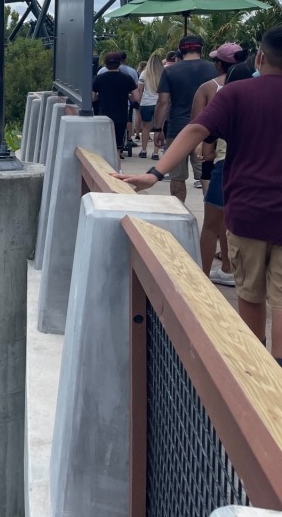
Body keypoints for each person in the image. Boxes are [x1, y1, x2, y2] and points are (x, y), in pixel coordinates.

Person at [116, 25, 282, 367]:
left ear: (260, 58)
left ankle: (256, 367)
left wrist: (154, 174)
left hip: (247, 212)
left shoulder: (237, 94)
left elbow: (195, 129)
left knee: (250, 294)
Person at [190, 43, 247, 285]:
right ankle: (228, 268)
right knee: (232, 222)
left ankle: (201, 278)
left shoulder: (213, 90)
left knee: (212, 224)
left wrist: (204, 149)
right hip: (251, 167)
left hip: (223, 164)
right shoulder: (261, 91)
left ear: (219, 64)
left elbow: (200, 128)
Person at [152, 36, 218, 201]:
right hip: (206, 129)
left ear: (180, 51)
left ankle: (180, 210)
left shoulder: (170, 71)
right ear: (202, 49)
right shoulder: (214, 69)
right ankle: (211, 211)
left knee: (177, 176)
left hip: (177, 127)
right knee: (206, 174)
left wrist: (158, 128)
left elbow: (162, 101)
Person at [92, 53, 140, 160]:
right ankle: (117, 167)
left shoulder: (98, 78)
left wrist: (101, 95)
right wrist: (126, 96)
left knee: (104, 147)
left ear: (105, 64)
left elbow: (92, 97)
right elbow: (136, 97)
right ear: (120, 63)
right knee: (117, 149)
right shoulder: (127, 78)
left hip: (104, 115)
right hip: (121, 116)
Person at [136, 54, 163, 159]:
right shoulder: (164, 73)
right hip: (160, 103)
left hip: (146, 103)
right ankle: (155, 153)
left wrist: (139, 100)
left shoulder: (144, 73)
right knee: (159, 128)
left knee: (146, 127)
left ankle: (143, 150)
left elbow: (140, 90)